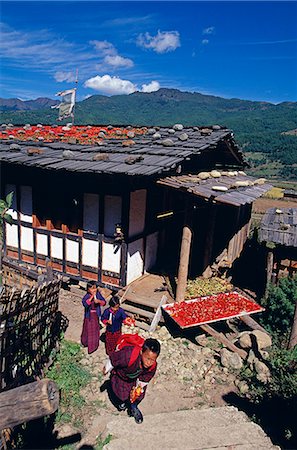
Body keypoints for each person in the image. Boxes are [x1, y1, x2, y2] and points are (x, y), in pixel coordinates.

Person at [103, 337, 161, 424]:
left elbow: (146, 377)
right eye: (147, 358)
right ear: (141, 352)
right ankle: (122, 401)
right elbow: (115, 358)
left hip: (136, 378)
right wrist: (107, 368)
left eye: (153, 360)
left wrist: (138, 388)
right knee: (122, 395)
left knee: (138, 395)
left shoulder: (152, 366)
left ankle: (133, 407)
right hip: (122, 376)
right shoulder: (129, 354)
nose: (149, 363)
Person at [80, 282, 106, 354]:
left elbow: (104, 302)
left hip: (95, 316)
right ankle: (85, 342)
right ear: (88, 290)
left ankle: (93, 346)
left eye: (95, 288)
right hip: (88, 317)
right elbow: (85, 304)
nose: (94, 290)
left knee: (95, 330)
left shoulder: (98, 295)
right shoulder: (87, 296)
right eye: (92, 289)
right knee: (87, 329)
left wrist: (99, 301)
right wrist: (91, 298)